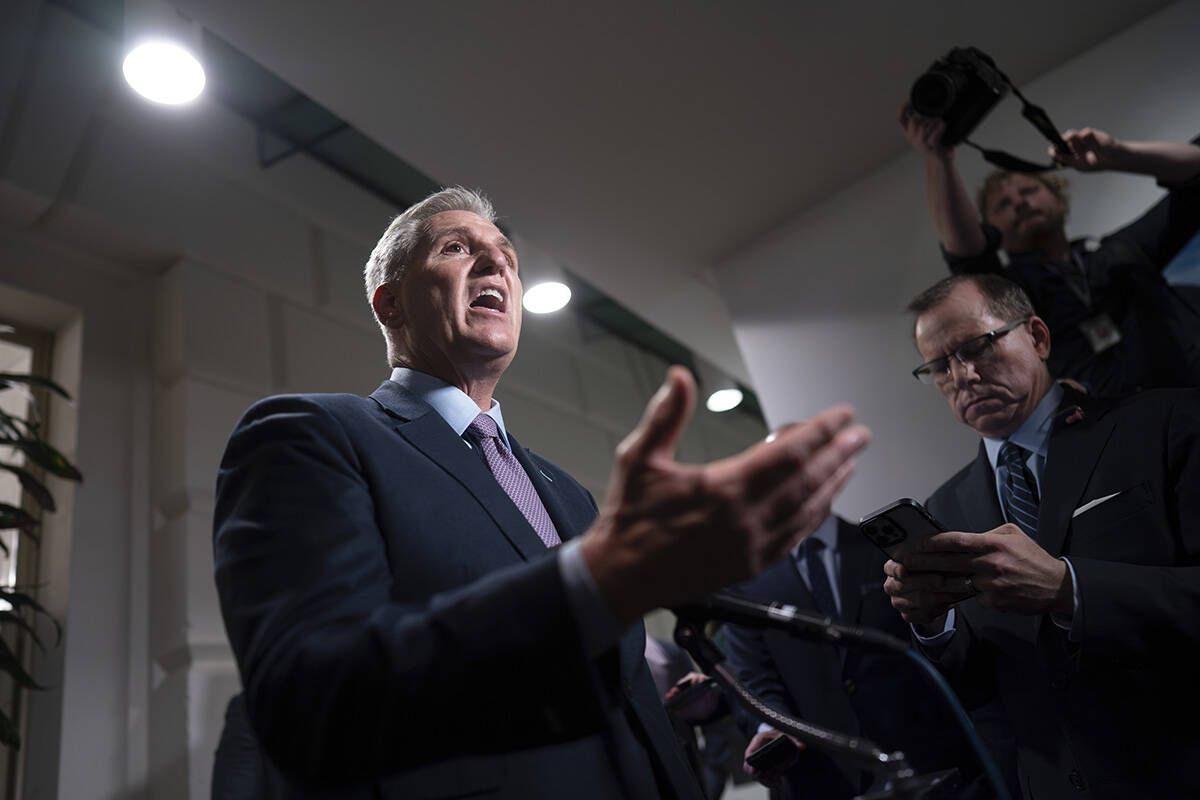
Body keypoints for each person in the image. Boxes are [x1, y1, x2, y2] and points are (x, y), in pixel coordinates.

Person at [212, 187, 870, 799]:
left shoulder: (570, 493)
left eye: (507, 259)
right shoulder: (314, 437)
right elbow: (313, 701)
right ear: (391, 303)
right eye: (457, 248)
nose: (494, 264)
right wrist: (599, 581)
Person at [884, 272, 1200, 798]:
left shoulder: (1164, 422)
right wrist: (933, 624)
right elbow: (983, 687)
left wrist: (1068, 588)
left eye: (977, 347)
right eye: (940, 366)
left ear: (1037, 337)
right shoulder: (944, 508)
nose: (962, 375)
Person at [899, 104, 1200, 395]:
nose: (1019, 203)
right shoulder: (1005, 292)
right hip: (1113, 436)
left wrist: (1117, 155)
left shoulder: (1122, 250)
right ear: (991, 230)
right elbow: (966, 252)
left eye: (1029, 190)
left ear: (1059, 199)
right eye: (1003, 205)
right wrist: (938, 159)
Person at [722, 515, 971, 799]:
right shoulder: (746, 579)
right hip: (820, 778)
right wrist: (773, 728)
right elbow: (753, 676)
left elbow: (936, 642)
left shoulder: (885, 546)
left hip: (925, 765)